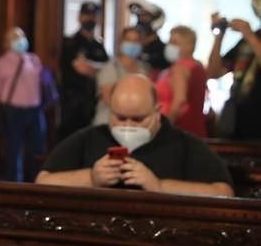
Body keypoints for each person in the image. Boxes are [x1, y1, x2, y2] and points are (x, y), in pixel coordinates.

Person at [36, 74, 233, 197]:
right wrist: (91, 177)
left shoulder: (185, 145)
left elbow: (223, 192)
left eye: (138, 120)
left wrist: (159, 186)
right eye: (120, 118)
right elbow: (43, 181)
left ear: (157, 111)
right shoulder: (87, 138)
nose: (127, 126)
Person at [0, 27, 45, 182]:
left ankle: (37, 186)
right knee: (13, 152)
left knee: (37, 152)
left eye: (21, 36)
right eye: (14, 37)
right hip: (13, 112)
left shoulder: (33, 59)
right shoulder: (0, 64)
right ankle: (14, 188)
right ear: (6, 43)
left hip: (34, 111)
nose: (20, 40)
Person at [207, 0, 261, 139]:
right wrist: (218, 37)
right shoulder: (248, 39)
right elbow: (214, 72)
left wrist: (249, 36)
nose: (257, 1)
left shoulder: (251, 37)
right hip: (238, 123)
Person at [57, 1, 109, 139]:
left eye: (94, 16)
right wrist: (99, 70)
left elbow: (107, 71)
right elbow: (81, 68)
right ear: (79, 17)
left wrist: (93, 68)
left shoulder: (100, 46)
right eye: (86, 15)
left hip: (93, 103)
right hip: (73, 105)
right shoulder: (71, 43)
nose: (90, 19)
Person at [156, 26, 207, 138]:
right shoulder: (197, 67)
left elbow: (179, 101)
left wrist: (164, 128)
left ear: (189, 46)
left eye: (174, 42)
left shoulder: (179, 68)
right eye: (169, 41)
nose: (169, 45)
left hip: (178, 131)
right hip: (194, 129)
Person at [93, 27, 147, 125]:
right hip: (108, 123)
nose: (132, 44)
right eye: (128, 40)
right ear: (121, 42)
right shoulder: (110, 68)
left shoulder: (143, 69)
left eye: (136, 41)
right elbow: (108, 99)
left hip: (134, 125)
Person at [129, 0, 169, 78]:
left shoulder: (162, 50)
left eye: (145, 16)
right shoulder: (133, 46)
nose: (141, 20)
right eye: (139, 17)